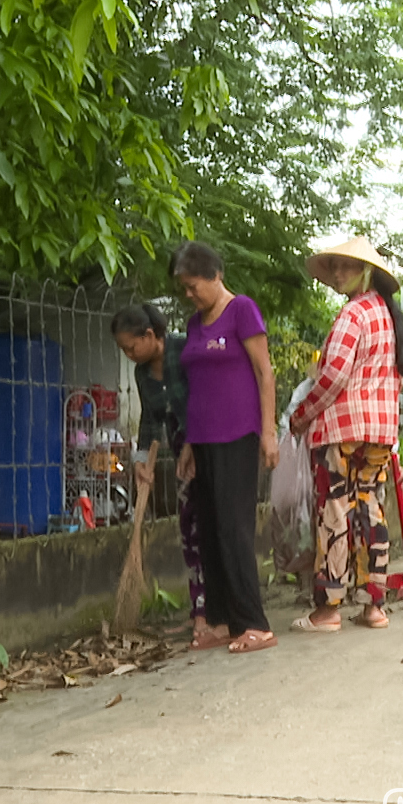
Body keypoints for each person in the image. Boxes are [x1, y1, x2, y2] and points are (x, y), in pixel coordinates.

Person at [288, 238, 403, 632]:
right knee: (371, 509)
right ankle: (374, 604)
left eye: (345, 267)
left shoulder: (353, 315)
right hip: (378, 432)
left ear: (366, 271)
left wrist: (302, 415)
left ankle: (328, 608)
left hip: (341, 431)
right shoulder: (388, 316)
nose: (338, 274)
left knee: (334, 513)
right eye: (335, 267)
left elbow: (333, 376)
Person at [172, 241, 280, 655]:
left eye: (193, 284)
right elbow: (196, 387)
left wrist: (267, 432)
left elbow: (264, 374)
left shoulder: (242, 311)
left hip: (238, 434)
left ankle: (254, 622)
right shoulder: (195, 323)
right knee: (210, 528)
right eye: (183, 287)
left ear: (215, 276)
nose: (189, 293)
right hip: (202, 438)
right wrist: (189, 444)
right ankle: (218, 619)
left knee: (235, 528)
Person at [111, 304, 210, 649]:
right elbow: (151, 420)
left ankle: (218, 611)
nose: (128, 354)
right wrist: (141, 460)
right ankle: (200, 611)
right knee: (190, 528)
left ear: (150, 335)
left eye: (130, 346)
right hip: (180, 451)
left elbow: (206, 398)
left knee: (214, 525)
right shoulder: (141, 373)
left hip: (209, 445)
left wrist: (195, 442)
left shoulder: (186, 349)